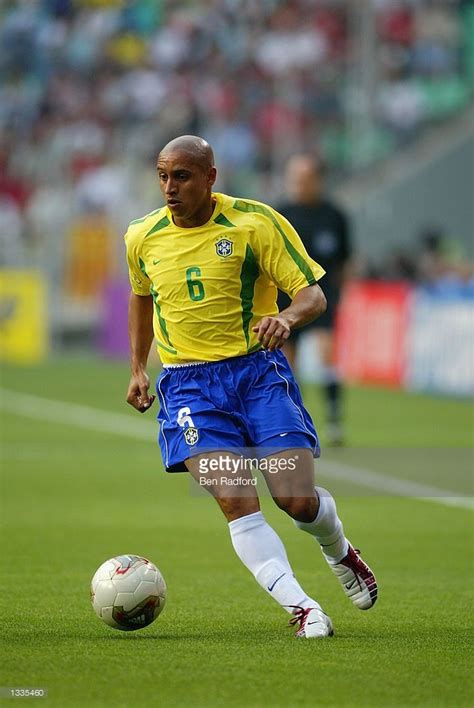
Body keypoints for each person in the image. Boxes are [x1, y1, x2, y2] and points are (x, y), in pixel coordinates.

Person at [125, 135, 377, 639]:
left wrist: (285, 317)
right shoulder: (141, 235)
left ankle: (339, 550)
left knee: (296, 499)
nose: (169, 187)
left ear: (211, 177)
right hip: (188, 388)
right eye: (163, 176)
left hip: (258, 375)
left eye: (182, 176)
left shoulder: (255, 222)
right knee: (235, 498)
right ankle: (303, 608)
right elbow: (142, 297)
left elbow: (313, 295)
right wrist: (137, 367)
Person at [277, 154, 352, 445]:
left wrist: (338, 297)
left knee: (326, 355)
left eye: (304, 178)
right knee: (287, 365)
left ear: (318, 180)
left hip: (323, 299)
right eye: (294, 178)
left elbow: (344, 261)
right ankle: (294, 419)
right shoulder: (280, 214)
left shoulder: (335, 216)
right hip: (286, 301)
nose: (298, 184)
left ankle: (334, 419)